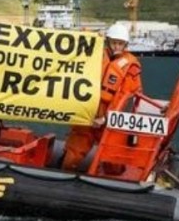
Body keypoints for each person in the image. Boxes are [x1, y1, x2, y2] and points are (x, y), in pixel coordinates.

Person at [61, 23, 142, 171]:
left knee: (114, 164)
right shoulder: (94, 55)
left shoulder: (131, 67)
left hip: (110, 119)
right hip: (87, 115)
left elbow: (126, 96)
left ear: (125, 44)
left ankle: (113, 185)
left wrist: (106, 118)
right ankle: (65, 175)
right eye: (114, 42)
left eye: (120, 43)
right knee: (73, 155)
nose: (117, 46)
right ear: (108, 42)